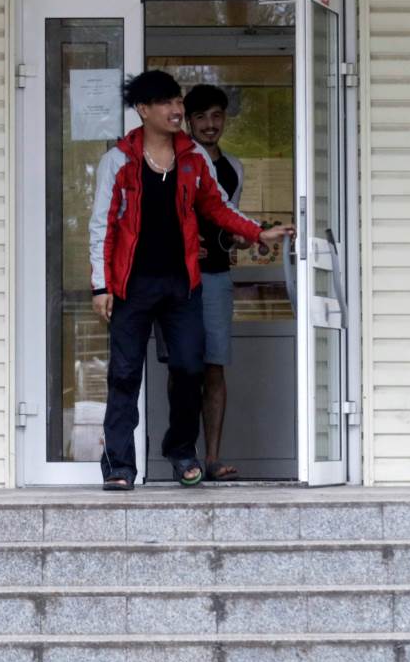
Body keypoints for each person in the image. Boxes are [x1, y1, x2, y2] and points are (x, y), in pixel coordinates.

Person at [89, 70, 293, 491]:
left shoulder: (193, 157)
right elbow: (102, 226)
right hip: (131, 286)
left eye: (178, 101)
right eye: (166, 102)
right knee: (124, 375)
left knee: (188, 368)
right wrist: (101, 285)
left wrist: (259, 233)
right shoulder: (119, 160)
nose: (176, 109)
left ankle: (181, 451)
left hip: (182, 285)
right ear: (143, 110)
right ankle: (119, 467)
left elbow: (218, 206)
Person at [184, 83, 245, 481]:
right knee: (183, 368)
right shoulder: (177, 162)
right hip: (178, 279)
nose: (210, 124)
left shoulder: (234, 168)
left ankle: (212, 458)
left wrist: (248, 237)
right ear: (188, 122)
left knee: (214, 367)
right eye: (201, 116)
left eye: (217, 116)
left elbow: (230, 219)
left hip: (218, 278)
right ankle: (184, 457)